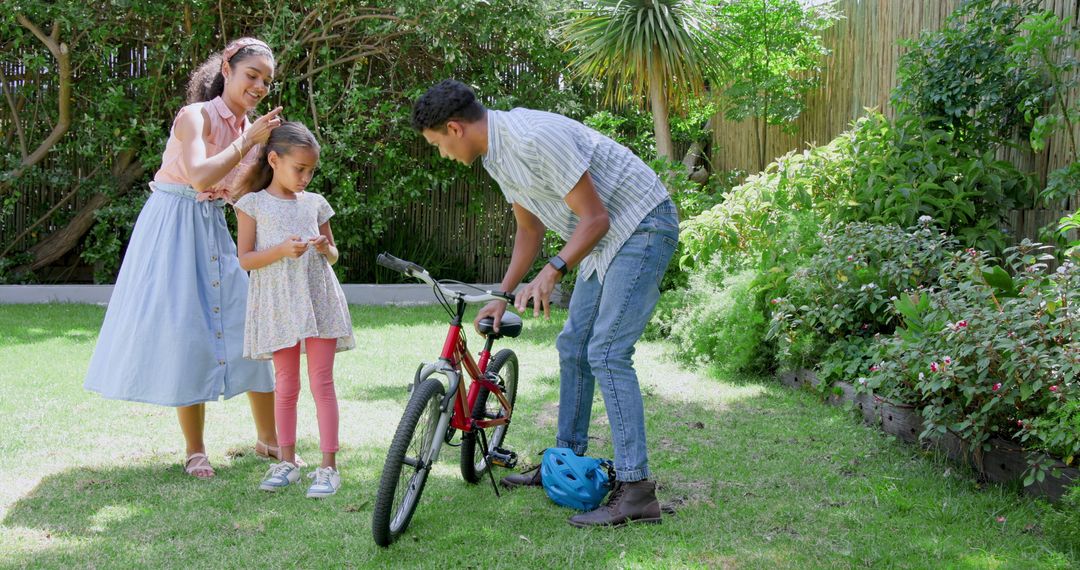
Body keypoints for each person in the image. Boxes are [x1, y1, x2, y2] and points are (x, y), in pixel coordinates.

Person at [411, 79, 680, 527]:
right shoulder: (497, 158)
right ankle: (565, 462)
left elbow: (596, 218)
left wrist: (552, 270)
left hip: (642, 225)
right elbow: (530, 230)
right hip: (607, 241)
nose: (442, 153)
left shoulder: (534, 138)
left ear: (455, 128)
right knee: (574, 346)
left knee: (608, 353)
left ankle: (637, 492)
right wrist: (502, 294)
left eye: (437, 143)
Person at [85, 38, 290, 479]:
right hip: (172, 223)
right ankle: (195, 450)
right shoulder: (194, 116)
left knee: (246, 325)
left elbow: (238, 192)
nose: (258, 86)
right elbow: (198, 174)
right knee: (187, 331)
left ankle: (269, 439)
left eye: (266, 81)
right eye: (252, 75)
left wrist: (268, 160)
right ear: (227, 68)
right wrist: (248, 141)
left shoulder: (251, 131)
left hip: (212, 224)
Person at [232, 121, 354, 498]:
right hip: (278, 303)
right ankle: (286, 462)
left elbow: (334, 255)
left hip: (318, 300)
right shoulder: (252, 204)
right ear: (274, 160)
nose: (305, 177)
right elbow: (246, 260)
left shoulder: (316, 204)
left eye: (310, 171)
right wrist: (282, 251)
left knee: (322, 383)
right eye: (299, 168)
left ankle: (328, 467)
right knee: (285, 385)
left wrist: (323, 248)